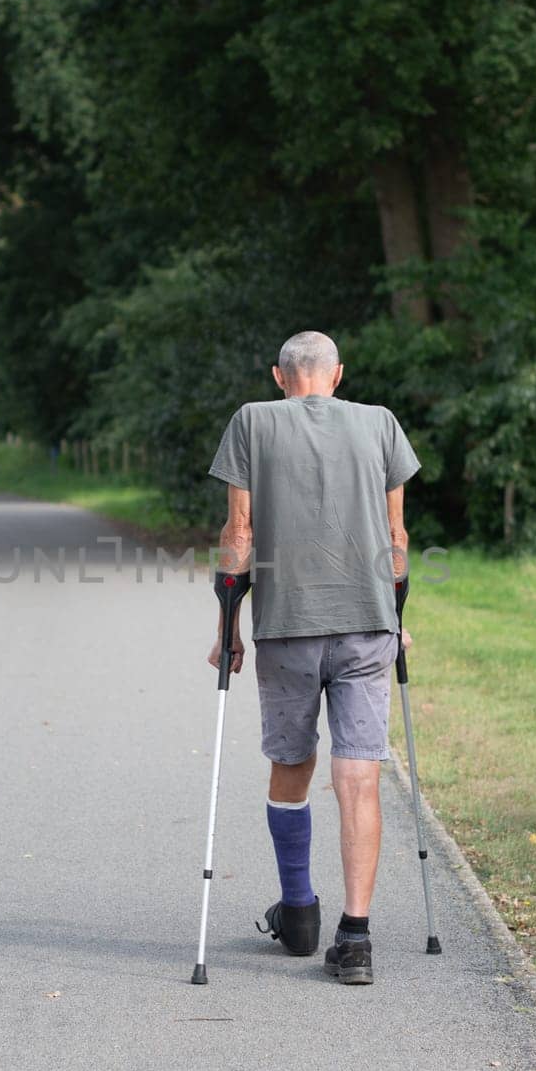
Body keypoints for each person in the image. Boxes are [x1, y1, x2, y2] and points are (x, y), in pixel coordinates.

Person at [207, 330, 420, 985]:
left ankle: (298, 911)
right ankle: (354, 939)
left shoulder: (251, 422)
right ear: (337, 374)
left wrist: (228, 628)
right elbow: (396, 537)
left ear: (279, 375)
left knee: (291, 767)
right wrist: (397, 622)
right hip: (365, 627)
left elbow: (238, 535)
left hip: (287, 628)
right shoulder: (380, 424)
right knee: (357, 778)